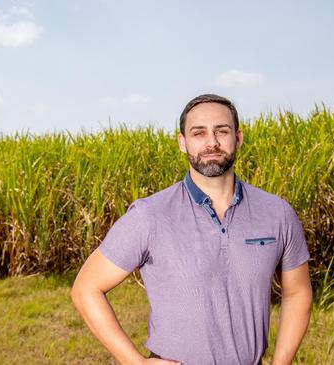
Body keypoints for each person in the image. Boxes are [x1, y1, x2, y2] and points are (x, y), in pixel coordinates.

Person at [71, 94, 312, 365]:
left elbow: (297, 292)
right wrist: (134, 362)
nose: (211, 142)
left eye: (222, 131)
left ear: (238, 138)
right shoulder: (150, 215)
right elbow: (86, 288)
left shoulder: (277, 213)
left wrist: (281, 362)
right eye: (199, 133)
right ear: (182, 143)